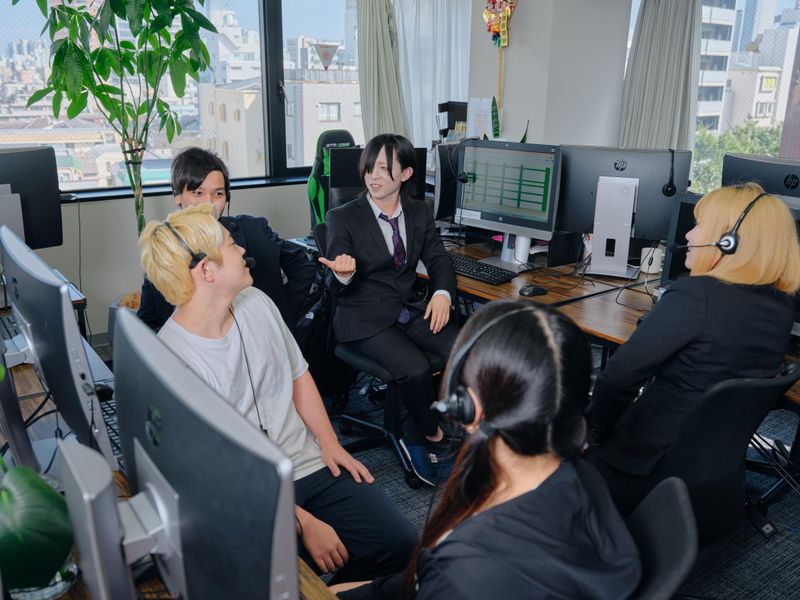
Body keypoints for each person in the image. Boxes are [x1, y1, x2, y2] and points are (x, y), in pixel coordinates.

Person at [138, 203, 418, 583]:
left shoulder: (257, 303)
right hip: (246, 495)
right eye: (231, 245)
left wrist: (329, 443)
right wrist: (301, 522)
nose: (243, 250)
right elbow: (217, 477)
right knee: (272, 581)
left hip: (307, 463)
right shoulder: (172, 360)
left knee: (402, 545)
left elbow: (299, 376)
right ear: (206, 271)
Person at [332, 301, 641, 599]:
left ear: (468, 408)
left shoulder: (468, 570)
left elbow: (445, 577)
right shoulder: (583, 476)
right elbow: (422, 580)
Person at [587, 183, 800, 514]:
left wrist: (591, 434)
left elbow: (617, 380)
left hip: (638, 472)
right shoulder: (781, 307)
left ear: (728, 242)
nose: (688, 235)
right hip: (707, 477)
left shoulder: (695, 295)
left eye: (699, 225)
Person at [322, 133, 459, 485]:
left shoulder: (419, 212)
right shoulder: (343, 217)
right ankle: (429, 436)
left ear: (406, 173)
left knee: (464, 349)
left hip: (407, 310)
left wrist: (442, 294)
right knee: (415, 369)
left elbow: (439, 259)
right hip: (362, 317)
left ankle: (426, 420)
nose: (374, 176)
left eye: (384, 168)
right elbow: (333, 283)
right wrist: (343, 274)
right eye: (370, 168)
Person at [137, 147, 315, 334]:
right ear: (177, 195)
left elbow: (303, 266)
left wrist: (281, 314)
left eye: (218, 194)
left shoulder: (254, 231)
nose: (209, 203)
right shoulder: (164, 253)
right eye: (198, 193)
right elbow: (146, 326)